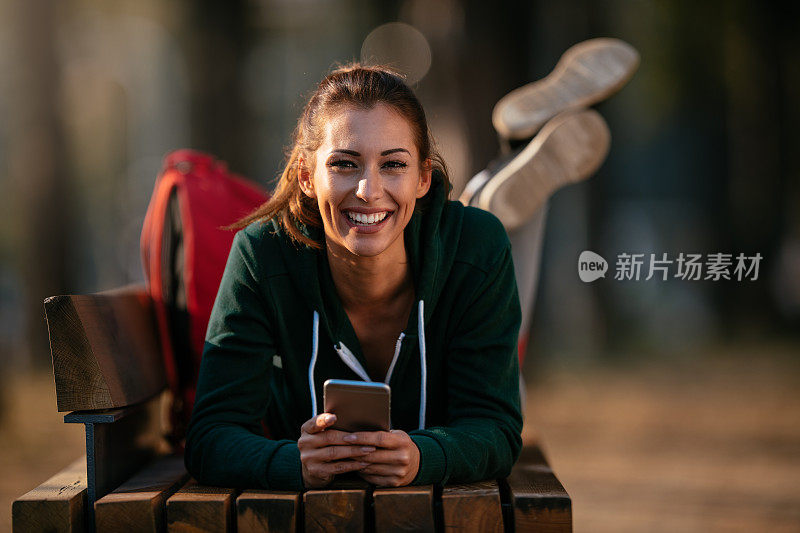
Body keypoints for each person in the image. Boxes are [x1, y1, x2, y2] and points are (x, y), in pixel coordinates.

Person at [184, 64, 524, 490]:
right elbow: (211, 438)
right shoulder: (262, 253)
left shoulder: (478, 246)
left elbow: (496, 428)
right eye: (345, 164)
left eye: (393, 165)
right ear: (308, 177)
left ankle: (512, 156)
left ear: (423, 178)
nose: (368, 189)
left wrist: (425, 456)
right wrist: (295, 462)